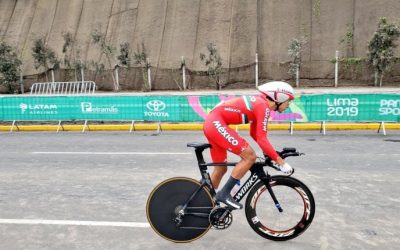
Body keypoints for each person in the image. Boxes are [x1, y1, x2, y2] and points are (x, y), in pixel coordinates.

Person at [203, 81, 295, 209]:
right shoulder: (263, 106)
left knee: (221, 169)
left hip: (212, 123)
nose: (288, 105)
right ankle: (224, 194)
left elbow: (255, 134)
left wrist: (269, 153)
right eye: (288, 101)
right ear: (279, 98)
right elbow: (262, 139)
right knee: (250, 157)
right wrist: (281, 162)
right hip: (216, 123)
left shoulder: (259, 103)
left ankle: (203, 202)